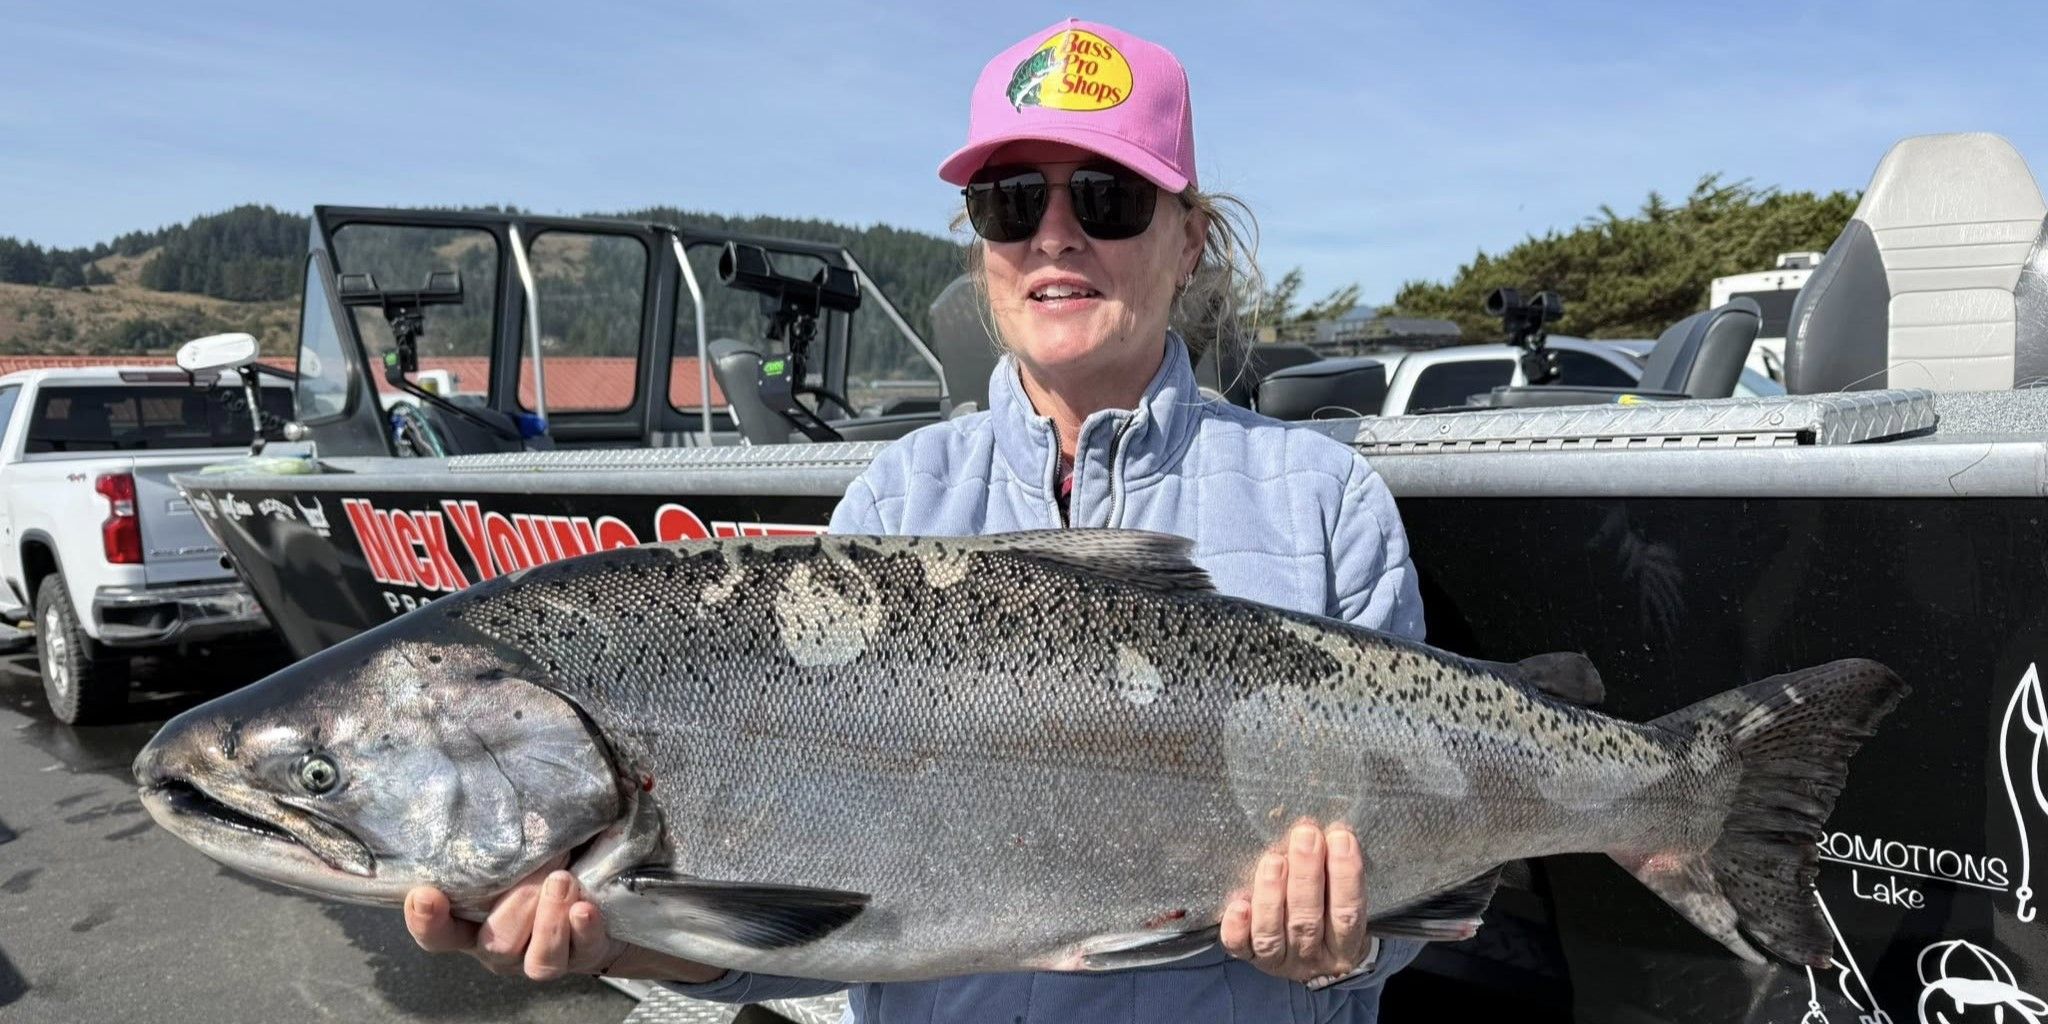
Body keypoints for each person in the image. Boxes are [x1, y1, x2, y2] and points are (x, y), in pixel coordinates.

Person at [403, 18, 1427, 1023]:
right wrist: (627, 940)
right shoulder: (895, 502)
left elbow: (1416, 904)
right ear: (979, 238)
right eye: (1010, 200)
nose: (1053, 234)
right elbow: (824, 940)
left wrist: (1349, 950)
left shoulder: (1322, 499)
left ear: (1189, 237)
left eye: (1107, 198)